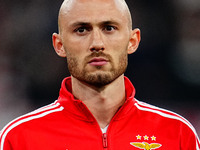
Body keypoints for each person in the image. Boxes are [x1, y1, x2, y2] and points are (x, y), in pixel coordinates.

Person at [0, 0, 199, 149]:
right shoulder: (19, 138)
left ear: (133, 41)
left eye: (109, 28)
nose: (97, 43)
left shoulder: (178, 134)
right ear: (59, 45)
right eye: (81, 30)